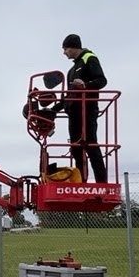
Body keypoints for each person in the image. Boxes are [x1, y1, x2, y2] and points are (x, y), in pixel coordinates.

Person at [61, 33, 108, 183]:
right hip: (73, 113)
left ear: (73, 47)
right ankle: (80, 182)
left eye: (65, 49)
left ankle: (102, 182)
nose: (64, 52)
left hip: (87, 109)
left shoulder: (89, 58)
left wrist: (85, 86)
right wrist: (53, 109)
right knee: (76, 148)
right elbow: (68, 95)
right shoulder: (71, 70)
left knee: (90, 144)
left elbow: (102, 80)